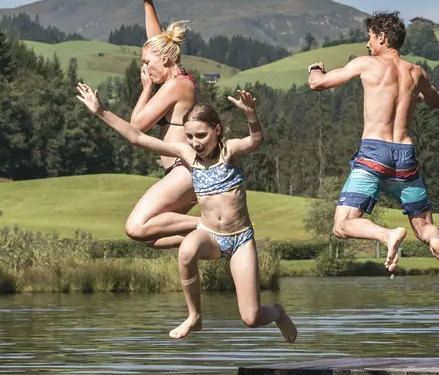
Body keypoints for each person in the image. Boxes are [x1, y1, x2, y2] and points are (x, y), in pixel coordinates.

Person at [76, 83, 298, 342]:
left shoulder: (230, 152)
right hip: (210, 236)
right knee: (186, 250)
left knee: (251, 317)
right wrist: (101, 111)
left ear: (217, 130)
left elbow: (256, 140)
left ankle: (278, 313)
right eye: (190, 137)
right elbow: (137, 137)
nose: (195, 143)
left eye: (201, 136)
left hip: (240, 240)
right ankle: (194, 316)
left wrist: (251, 114)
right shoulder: (187, 155)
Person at [307, 11, 439, 281]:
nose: (367, 45)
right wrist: (417, 94)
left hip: (374, 155)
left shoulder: (367, 64)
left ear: (382, 37)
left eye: (370, 38)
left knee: (342, 225)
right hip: (405, 158)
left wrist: (315, 69)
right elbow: (438, 102)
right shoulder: (416, 72)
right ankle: (436, 243)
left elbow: (318, 84)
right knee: (425, 226)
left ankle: (387, 234)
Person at [121, 0, 201, 249]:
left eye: (146, 62)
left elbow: (137, 126)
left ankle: (217, 223)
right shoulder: (177, 76)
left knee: (136, 226)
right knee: (152, 238)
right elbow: (156, 41)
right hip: (178, 173)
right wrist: (148, 4)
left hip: (185, 170)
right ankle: (216, 235)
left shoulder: (176, 86)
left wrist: (145, 89)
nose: (144, 67)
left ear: (165, 60)